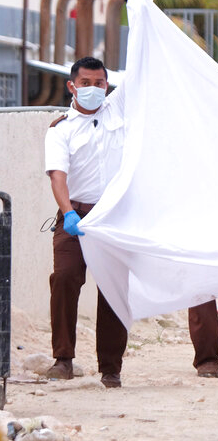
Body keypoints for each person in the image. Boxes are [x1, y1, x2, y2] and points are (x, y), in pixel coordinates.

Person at [44, 56, 129, 388]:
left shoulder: (119, 113)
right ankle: (63, 359)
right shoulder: (61, 129)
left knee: (113, 290)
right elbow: (57, 176)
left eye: (99, 84)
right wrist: (68, 213)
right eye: (85, 84)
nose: (93, 89)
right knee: (64, 279)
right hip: (74, 215)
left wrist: (139, 7)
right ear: (71, 86)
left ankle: (111, 368)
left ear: (107, 85)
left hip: (114, 217)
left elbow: (140, 66)